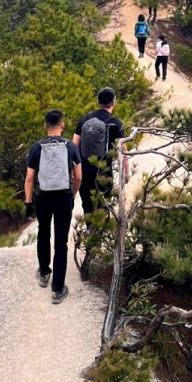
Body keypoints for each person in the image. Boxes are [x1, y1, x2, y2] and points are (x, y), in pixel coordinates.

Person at [24, 110, 81, 304]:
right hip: (63, 197)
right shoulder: (71, 147)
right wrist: (73, 194)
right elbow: (79, 176)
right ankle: (57, 289)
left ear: (45, 125)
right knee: (61, 242)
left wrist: (28, 202)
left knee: (43, 232)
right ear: (62, 125)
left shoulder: (36, 147)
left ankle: (44, 272)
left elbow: (30, 178)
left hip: (44, 197)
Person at [73, 87, 125, 215]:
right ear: (114, 102)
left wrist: (73, 171)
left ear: (98, 101)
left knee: (87, 205)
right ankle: (101, 232)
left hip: (84, 171)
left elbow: (74, 145)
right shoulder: (115, 123)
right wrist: (127, 173)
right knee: (104, 204)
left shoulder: (85, 119)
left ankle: (90, 231)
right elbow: (123, 151)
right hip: (104, 172)